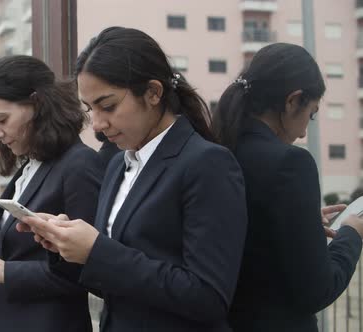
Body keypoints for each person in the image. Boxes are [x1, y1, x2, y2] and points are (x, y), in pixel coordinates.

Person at [17, 26, 248, 331]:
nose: (97, 125)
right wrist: (66, 248)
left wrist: (97, 250)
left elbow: (208, 297)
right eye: (90, 108)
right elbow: (117, 287)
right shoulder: (117, 165)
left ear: (153, 92)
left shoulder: (207, 163)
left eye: (108, 106)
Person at [0, 55, 102, 332]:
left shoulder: (79, 164)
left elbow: (87, 270)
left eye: (1, 119)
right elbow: (21, 262)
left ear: (37, 104)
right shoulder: (30, 167)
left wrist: (3, 270)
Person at [211, 42, 363, 331]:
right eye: (312, 113)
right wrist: (351, 233)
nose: (305, 130)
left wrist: (300, 222)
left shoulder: (215, 149)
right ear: (293, 101)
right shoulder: (290, 164)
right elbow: (317, 290)